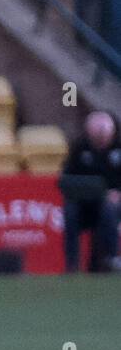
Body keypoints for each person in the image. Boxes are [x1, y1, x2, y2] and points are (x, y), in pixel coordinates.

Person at [60, 110, 121, 273]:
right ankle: (72, 264)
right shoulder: (79, 149)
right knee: (70, 211)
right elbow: (66, 179)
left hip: (111, 206)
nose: (100, 141)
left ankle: (111, 259)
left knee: (108, 209)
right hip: (84, 205)